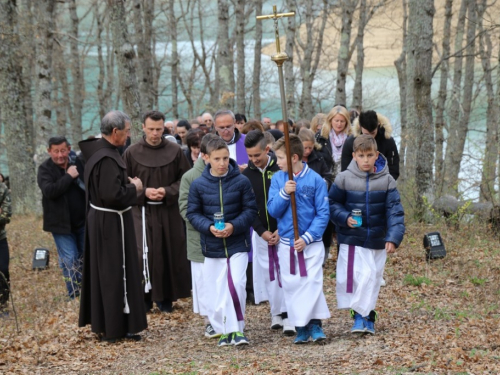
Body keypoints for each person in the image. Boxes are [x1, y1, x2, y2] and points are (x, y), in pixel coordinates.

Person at [78, 110, 147, 342]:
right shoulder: (106, 158)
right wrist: (135, 188)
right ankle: (113, 328)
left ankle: (115, 324)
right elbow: (112, 195)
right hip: (110, 223)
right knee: (112, 273)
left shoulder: (100, 153)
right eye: (127, 131)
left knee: (114, 271)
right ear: (115, 131)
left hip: (107, 221)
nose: (128, 136)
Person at [329, 135, 405, 334]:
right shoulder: (344, 178)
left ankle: (368, 316)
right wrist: (345, 217)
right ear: (354, 155)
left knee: (374, 277)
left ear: (376, 155)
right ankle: (360, 316)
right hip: (353, 237)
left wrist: (393, 237)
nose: (365, 160)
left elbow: (395, 210)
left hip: (378, 239)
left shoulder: (387, 181)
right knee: (363, 276)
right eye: (361, 155)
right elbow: (332, 204)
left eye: (369, 155)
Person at [187, 138, 257, 346]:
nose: (222, 163)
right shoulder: (198, 184)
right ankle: (223, 330)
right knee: (216, 289)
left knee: (236, 284)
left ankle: (237, 329)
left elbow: (250, 210)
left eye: (225, 158)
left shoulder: (241, 181)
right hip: (212, 245)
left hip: (237, 243)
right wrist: (208, 227)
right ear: (206, 158)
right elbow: (193, 213)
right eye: (217, 159)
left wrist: (233, 226)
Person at [123, 110, 192, 313]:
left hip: (168, 211)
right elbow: (123, 183)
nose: (155, 133)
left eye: (159, 129)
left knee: (168, 251)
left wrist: (167, 191)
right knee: (143, 253)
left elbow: (186, 181)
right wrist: (143, 192)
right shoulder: (131, 152)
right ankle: (143, 299)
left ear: (165, 128)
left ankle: (166, 298)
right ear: (143, 128)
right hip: (141, 212)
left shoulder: (175, 150)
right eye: (151, 129)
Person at [267, 134, 331, 344]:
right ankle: (300, 326)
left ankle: (315, 324)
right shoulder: (278, 179)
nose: (277, 163)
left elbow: (323, 213)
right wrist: (285, 193)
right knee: (293, 283)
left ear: (294, 157)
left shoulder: (315, 180)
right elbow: (273, 210)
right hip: (287, 243)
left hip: (310, 244)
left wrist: (307, 237)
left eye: (280, 158)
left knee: (311, 282)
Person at [242, 131, 294, 335]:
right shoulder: (246, 176)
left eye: (257, 155)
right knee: (269, 272)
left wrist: (282, 229)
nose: (254, 160)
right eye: (250, 156)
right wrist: (261, 231)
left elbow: (290, 202)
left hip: (285, 230)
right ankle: (276, 311)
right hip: (262, 233)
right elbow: (248, 207)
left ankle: (290, 312)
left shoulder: (281, 170)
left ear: (267, 149)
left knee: (287, 270)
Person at [179, 133, 220, 338]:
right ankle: (209, 320)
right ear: (204, 156)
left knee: (221, 280)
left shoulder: (226, 174)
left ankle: (225, 316)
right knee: (204, 282)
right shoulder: (190, 177)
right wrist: (208, 225)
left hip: (224, 237)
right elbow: (185, 208)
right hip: (200, 238)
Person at [37, 136, 86, 299]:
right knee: (70, 259)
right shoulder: (45, 169)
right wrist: (69, 177)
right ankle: (74, 294)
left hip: (83, 222)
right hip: (60, 225)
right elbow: (50, 191)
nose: (60, 155)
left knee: (85, 256)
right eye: (55, 151)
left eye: (63, 151)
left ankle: (87, 294)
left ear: (69, 149)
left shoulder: (78, 163)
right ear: (49, 151)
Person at [298, 128, 334, 264]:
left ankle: (322, 255)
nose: (307, 151)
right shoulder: (295, 159)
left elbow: (328, 176)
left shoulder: (318, 158)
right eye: (305, 147)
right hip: (301, 200)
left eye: (310, 147)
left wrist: (322, 185)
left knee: (321, 225)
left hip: (317, 199)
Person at [341, 110, 400, 181]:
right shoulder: (350, 142)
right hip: (356, 184)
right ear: (360, 126)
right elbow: (345, 169)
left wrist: (385, 184)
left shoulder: (388, 141)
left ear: (378, 125)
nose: (370, 137)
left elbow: (394, 168)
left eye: (372, 133)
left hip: (382, 184)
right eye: (366, 134)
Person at [317, 105, 351, 178]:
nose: (339, 124)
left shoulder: (351, 137)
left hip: (346, 177)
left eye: (342, 121)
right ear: (330, 120)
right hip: (326, 177)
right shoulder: (321, 136)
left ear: (346, 122)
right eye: (336, 121)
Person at [0, 181, 11, 316]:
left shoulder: (2, 188)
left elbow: (6, 215)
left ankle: (3, 304)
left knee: (3, 270)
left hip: (0, 238)